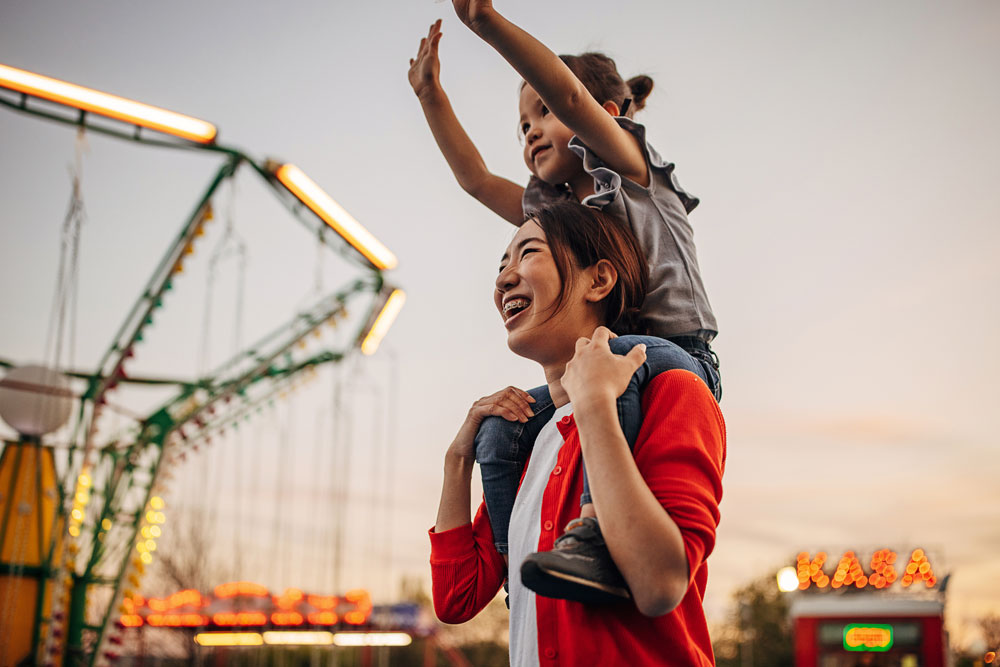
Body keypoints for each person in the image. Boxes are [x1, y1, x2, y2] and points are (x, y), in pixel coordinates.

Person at [409, 2, 720, 600]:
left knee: (618, 353)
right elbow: (475, 179)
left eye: (541, 111)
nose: (529, 130)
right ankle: (518, 564)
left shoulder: (634, 174)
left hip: (676, 355)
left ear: (607, 116)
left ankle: (596, 534)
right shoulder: (560, 218)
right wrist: (429, 96)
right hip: (597, 366)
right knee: (502, 430)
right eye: (522, 123)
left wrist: (487, 24)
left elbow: (575, 103)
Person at [429, 202, 725, 665]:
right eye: (501, 264)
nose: (504, 278)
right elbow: (455, 599)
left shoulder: (671, 392)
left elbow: (659, 583)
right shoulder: (525, 443)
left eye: (528, 253)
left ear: (598, 280)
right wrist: (458, 460)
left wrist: (593, 406)